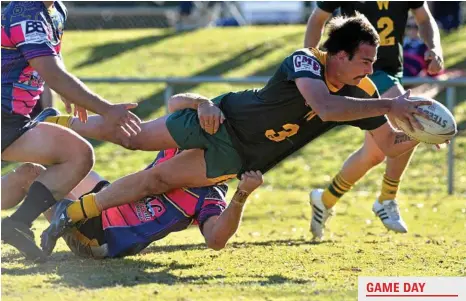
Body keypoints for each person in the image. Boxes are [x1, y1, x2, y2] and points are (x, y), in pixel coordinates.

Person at [41, 14, 443, 249]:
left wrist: (424, 134)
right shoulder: (305, 59)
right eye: (366, 60)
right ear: (339, 55)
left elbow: (389, 143)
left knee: (154, 179)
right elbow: (323, 106)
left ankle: (71, 213)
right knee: (131, 137)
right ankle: (52, 122)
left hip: (237, 156)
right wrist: (392, 104)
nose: (372, 70)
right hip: (218, 117)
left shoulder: (366, 91)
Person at [1, 1, 141, 261]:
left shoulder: (56, 10)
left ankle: (17, 224)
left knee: (74, 155)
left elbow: (52, 56)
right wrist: (107, 109)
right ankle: (17, 223)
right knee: (77, 154)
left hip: (13, 118)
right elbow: (50, 72)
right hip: (4, 116)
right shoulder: (26, 11)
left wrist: (69, 92)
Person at [304, 1, 444, 238]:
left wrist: (435, 47)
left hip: (389, 72)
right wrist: (308, 61)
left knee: (375, 153)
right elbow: (318, 19)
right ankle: (387, 198)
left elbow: (424, 18)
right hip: (357, 71)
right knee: (408, 116)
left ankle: (324, 199)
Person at [2, 152, 263, 259]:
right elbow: (176, 103)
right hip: (101, 199)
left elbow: (216, 240)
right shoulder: (177, 152)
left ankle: (17, 227)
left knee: (31, 174)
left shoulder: (210, 193)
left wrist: (241, 195)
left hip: (98, 236)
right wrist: (203, 105)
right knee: (58, 160)